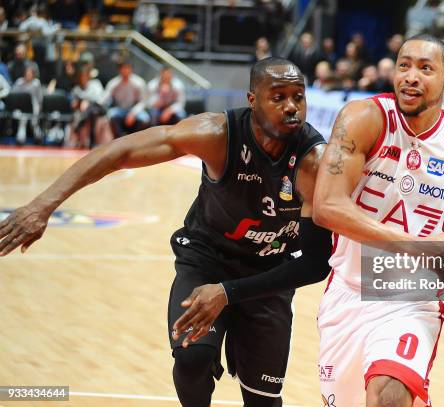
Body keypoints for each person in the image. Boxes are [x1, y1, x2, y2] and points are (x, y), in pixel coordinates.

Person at [0, 57, 333, 407]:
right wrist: (43, 204)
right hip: (208, 260)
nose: (292, 107)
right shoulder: (218, 135)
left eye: (298, 96)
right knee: (192, 359)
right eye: (278, 97)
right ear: (252, 101)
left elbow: (314, 264)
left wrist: (228, 293)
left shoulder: (313, 162)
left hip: (269, 272)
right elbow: (121, 151)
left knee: (263, 400)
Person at [312, 34, 444, 406]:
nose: (411, 76)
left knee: (390, 393)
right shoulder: (362, 118)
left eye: (425, 68)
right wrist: (417, 247)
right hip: (349, 292)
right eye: (404, 65)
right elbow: (327, 207)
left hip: (413, 300)